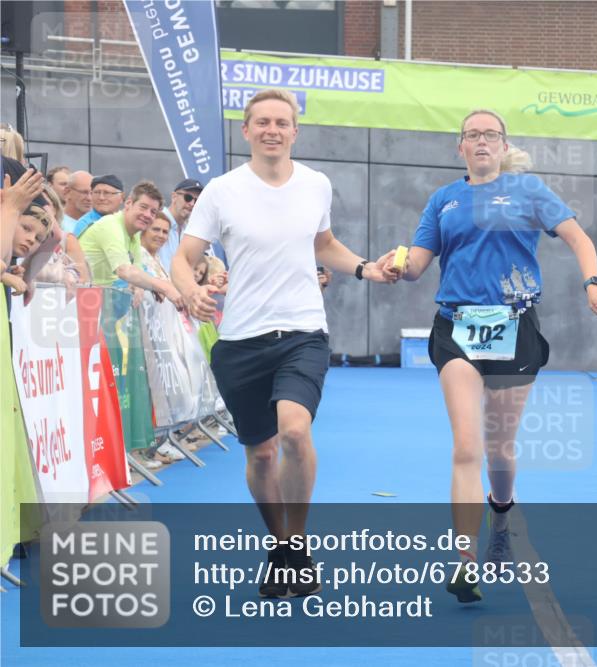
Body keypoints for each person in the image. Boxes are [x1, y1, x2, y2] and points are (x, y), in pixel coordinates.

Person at [171, 88, 401, 599]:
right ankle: (280, 547)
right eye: (263, 122)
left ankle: (297, 543)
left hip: (302, 332)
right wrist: (189, 291)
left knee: (295, 432)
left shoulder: (316, 184)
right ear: (246, 130)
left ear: (295, 131)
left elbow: (324, 244)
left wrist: (365, 268)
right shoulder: (222, 191)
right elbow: (183, 258)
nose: (272, 130)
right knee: (260, 455)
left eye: (281, 122)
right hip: (240, 340)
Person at [398, 109, 597, 604]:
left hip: (513, 328)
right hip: (456, 327)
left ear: (502, 144)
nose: (481, 141)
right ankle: (464, 560)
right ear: (460, 146)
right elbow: (416, 265)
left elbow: (579, 238)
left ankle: (501, 514)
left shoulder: (528, 190)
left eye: (490, 135)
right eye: (472, 134)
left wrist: (593, 283)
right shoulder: (444, 199)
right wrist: (394, 265)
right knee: (466, 446)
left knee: (499, 447)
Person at [158, 178, 203, 270]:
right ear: (174, 197)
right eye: (188, 198)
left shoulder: (190, 232)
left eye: (197, 201)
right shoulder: (155, 220)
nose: (192, 204)